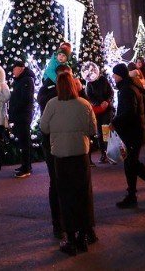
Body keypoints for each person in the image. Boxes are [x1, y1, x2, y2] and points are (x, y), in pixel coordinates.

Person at [40, 69, 97, 255]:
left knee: (65, 195)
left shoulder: (52, 104)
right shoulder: (84, 104)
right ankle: (84, 236)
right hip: (80, 154)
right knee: (83, 194)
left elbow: (44, 127)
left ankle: (70, 237)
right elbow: (92, 129)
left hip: (61, 156)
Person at [110, 62, 145, 207]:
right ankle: (134, 194)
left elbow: (129, 111)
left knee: (132, 165)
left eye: (115, 75)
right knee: (131, 164)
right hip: (135, 132)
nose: (113, 77)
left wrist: (115, 121)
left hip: (132, 133)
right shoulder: (132, 87)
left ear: (120, 75)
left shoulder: (127, 90)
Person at [38, 71, 64, 237]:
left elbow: (43, 126)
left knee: (56, 183)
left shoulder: (50, 100)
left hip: (54, 145)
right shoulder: (52, 98)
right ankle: (71, 224)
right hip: (68, 148)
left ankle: (59, 224)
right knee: (62, 183)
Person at [8, 59, 35, 177]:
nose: (13, 72)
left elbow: (25, 99)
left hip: (23, 115)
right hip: (19, 115)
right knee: (23, 142)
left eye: (14, 69)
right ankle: (25, 165)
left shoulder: (26, 80)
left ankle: (26, 167)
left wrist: (15, 109)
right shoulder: (20, 80)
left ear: (21, 68)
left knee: (25, 142)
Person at [83, 62, 114, 163]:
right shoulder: (89, 83)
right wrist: (99, 104)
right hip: (98, 110)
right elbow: (90, 97)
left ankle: (111, 153)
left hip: (107, 109)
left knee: (107, 131)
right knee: (100, 133)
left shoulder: (103, 80)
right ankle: (103, 153)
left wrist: (107, 101)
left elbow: (110, 92)